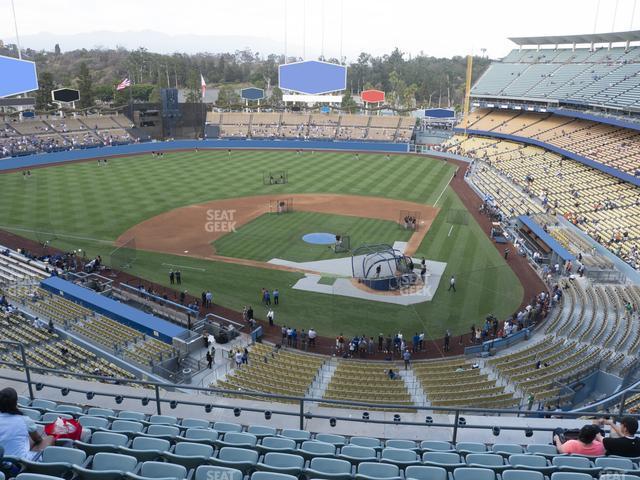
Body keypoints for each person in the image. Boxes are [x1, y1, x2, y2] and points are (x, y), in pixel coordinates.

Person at [0, 387, 55, 459]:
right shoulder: (24, 420)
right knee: (50, 438)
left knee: (26, 438)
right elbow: (38, 439)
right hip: (19, 463)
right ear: (16, 402)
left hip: (2, 458)